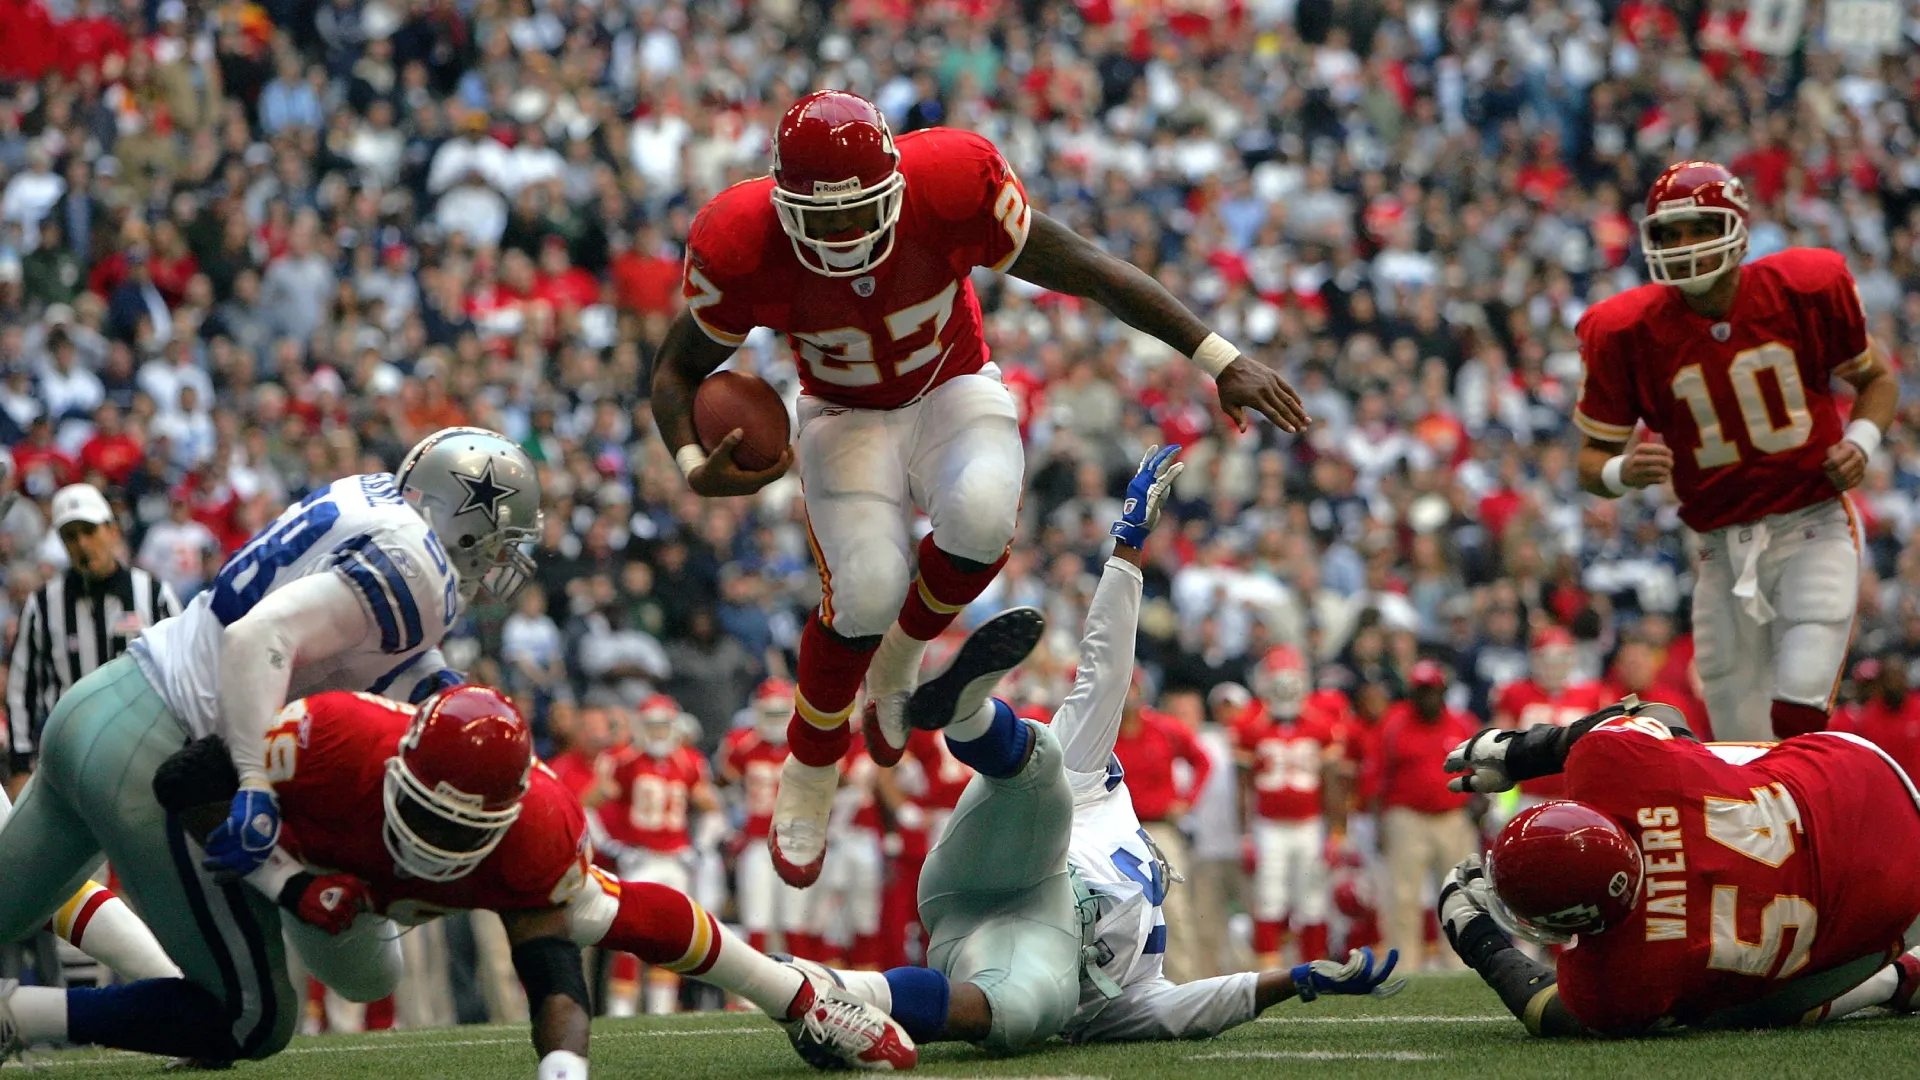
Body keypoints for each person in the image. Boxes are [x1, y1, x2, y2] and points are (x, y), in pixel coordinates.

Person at [650, 89, 1310, 889]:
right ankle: (811, 764)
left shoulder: (953, 184)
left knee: (982, 514)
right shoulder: (740, 241)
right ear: (782, 207)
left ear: (896, 186)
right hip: (843, 413)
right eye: (820, 220)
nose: (844, 235)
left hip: (953, 385)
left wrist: (1218, 356)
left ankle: (901, 661)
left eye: (860, 212)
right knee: (863, 594)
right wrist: (694, 466)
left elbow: (1092, 270)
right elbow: (678, 371)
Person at [784, 447, 1403, 1055]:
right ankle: (966, 712)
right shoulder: (1104, 798)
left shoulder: (1137, 974)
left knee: (1023, 1015)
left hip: (1015, 948)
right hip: (1008, 856)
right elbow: (1107, 668)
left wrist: (1295, 981)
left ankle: (840, 999)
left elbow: (1186, 1010)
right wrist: (1127, 549)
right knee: (1047, 768)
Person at [0, 427, 538, 1065]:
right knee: (253, 1018)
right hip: (155, 747)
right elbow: (262, 637)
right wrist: (254, 782)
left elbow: (340, 632)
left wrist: (432, 681)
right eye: (501, 544)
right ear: (466, 524)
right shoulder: (420, 566)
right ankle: (15, 1014)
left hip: (98, 703)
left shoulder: (374, 500)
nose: (502, 562)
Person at [77, 685, 918, 1074]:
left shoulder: (536, 830)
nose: (436, 839)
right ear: (397, 766)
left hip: (406, 883)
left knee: (598, 913)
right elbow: (186, 784)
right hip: (324, 881)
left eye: (460, 824)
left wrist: (563, 1075)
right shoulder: (329, 734)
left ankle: (796, 998)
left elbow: (550, 976)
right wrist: (286, 880)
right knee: (294, 1000)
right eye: (430, 813)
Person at [1573, 160, 1900, 741]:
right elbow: (1591, 466)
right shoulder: (1628, 331)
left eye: (1697, 227)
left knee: (1798, 711)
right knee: (1738, 741)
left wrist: (1863, 440)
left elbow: (1878, 380)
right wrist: (1626, 471)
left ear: (1736, 226)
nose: (1682, 245)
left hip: (1812, 524)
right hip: (1718, 550)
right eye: (1668, 234)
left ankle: (1817, 826)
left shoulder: (1802, 289)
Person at [1440, 697, 1920, 1036]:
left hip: (1895, 908)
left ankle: (1901, 978)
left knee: (1719, 1011)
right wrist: (1523, 752)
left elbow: (1557, 1014)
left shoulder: (1629, 972)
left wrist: (1479, 940)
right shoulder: (1614, 763)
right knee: (1679, 750)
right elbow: (1656, 713)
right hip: (1860, 776)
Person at [0, 483, 181, 995]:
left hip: (147, 767)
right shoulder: (43, 606)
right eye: (69, 535)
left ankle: (168, 1000)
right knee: (72, 890)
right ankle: (91, 1014)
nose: (81, 545)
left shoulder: (154, 594)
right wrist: (18, 770)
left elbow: (183, 673)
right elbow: (20, 692)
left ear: (111, 530)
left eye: (88, 532)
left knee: (160, 895)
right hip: (70, 774)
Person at [592, 694, 723, 1017]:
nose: (659, 733)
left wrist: (700, 847)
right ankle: (620, 1011)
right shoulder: (624, 761)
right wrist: (611, 845)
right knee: (629, 937)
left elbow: (713, 811)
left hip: (675, 860)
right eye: (653, 726)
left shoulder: (688, 762)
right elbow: (586, 805)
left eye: (664, 726)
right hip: (641, 859)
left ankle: (661, 1011)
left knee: (670, 939)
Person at [1235, 645, 1346, 969]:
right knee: (1269, 898)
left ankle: (1315, 968)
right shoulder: (1250, 726)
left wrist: (1337, 831)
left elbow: (1332, 784)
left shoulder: (1321, 725)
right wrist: (1244, 835)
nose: (1285, 686)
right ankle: (1270, 971)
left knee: (1313, 899)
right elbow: (1242, 788)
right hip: (1268, 825)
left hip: (1309, 824)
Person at [1369, 661, 1478, 970]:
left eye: (1432, 691)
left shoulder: (1462, 723)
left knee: (1460, 893)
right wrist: (1379, 825)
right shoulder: (1393, 724)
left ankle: (1461, 961)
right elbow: (1377, 777)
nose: (1426, 698)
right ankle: (1403, 963)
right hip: (1406, 818)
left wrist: (1479, 803)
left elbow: (1482, 768)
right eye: (1420, 691)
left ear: (1442, 692)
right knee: (1402, 896)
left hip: (1453, 816)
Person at [719, 679, 814, 957]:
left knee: (795, 923)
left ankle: (801, 991)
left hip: (797, 841)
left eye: (779, 713)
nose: (774, 721)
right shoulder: (744, 744)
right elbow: (722, 780)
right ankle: (749, 996)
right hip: (758, 842)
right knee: (756, 921)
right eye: (769, 714)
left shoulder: (805, 744)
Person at [1490, 626, 1608, 806]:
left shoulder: (1592, 694)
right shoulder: (1516, 693)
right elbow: (1497, 745)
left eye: (1561, 658)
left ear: (1571, 660)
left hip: (1575, 795)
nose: (1553, 666)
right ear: (1534, 660)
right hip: (1527, 795)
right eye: (1546, 659)